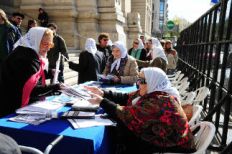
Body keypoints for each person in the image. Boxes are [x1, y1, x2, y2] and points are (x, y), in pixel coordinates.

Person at [85, 67, 196, 154]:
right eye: (138, 79)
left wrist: (102, 101)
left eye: (142, 80)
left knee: (126, 135)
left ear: (153, 81)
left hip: (174, 146)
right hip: (162, 137)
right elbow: (125, 98)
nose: (138, 83)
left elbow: (125, 114)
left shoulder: (161, 101)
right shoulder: (151, 91)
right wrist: (102, 93)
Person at [0, 27, 62, 117]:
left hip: (7, 100)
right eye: (45, 44)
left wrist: (49, 73)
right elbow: (31, 89)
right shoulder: (29, 59)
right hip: (13, 107)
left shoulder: (23, 50)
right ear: (35, 40)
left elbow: (29, 76)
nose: (48, 48)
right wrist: (55, 87)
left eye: (50, 44)